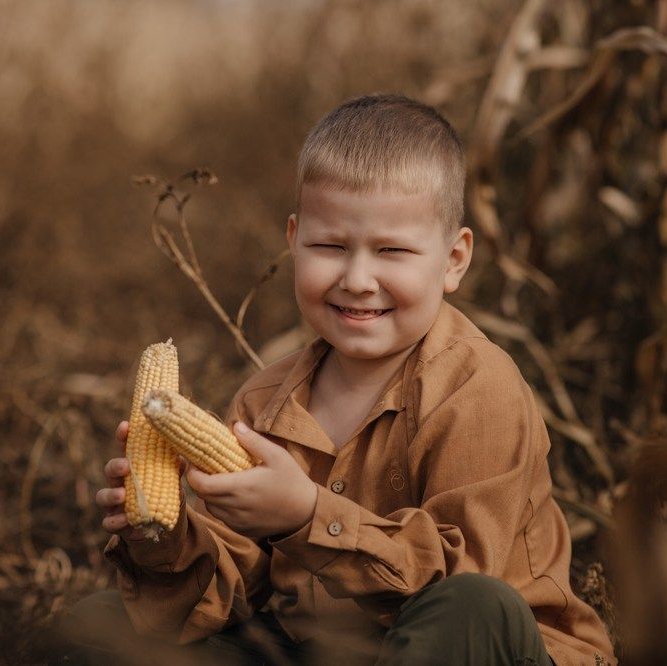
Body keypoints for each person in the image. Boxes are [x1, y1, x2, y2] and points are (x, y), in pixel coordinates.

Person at [64, 94, 615, 665]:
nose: (356, 279)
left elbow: (462, 573)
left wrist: (307, 516)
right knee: (98, 626)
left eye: (392, 251)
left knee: (474, 605)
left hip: (486, 647)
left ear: (453, 259)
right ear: (294, 239)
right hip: (326, 651)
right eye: (329, 247)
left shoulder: (479, 388)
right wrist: (163, 534)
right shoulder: (263, 403)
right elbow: (229, 593)